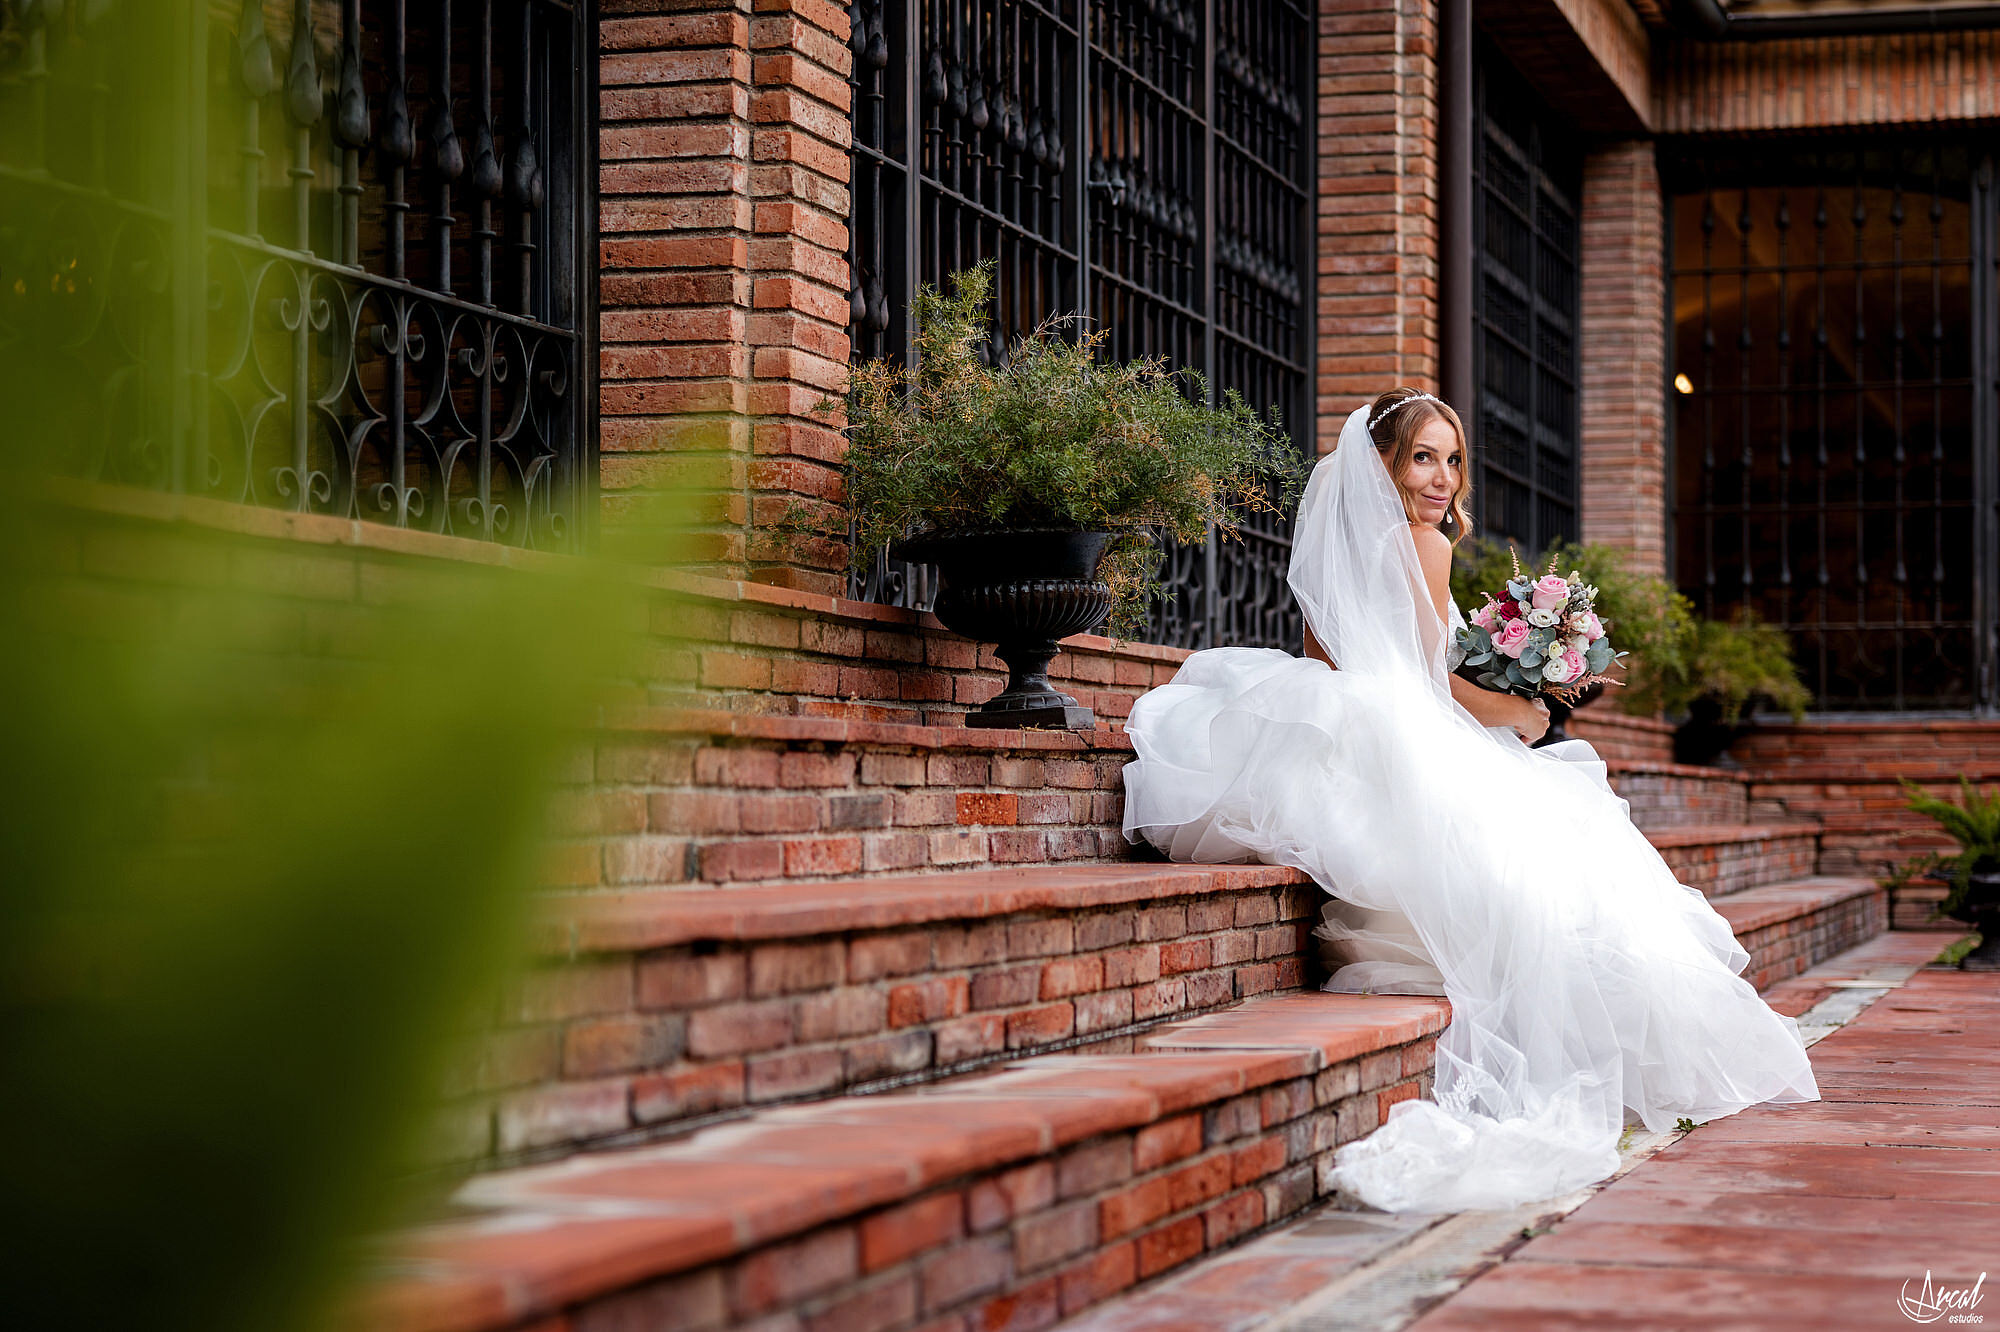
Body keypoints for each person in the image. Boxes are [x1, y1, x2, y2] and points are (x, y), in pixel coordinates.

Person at [1120, 387, 1819, 1213]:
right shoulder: (1423, 544)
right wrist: (1523, 711)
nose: (1443, 478)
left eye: (1452, 459)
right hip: (1412, 720)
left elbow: (1333, 660)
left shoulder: (1343, 545)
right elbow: (1426, 685)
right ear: (1383, 463)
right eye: (1423, 456)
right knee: (1560, 848)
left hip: (1353, 710)